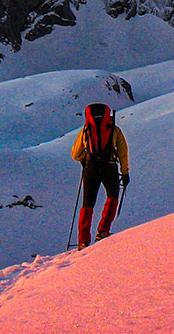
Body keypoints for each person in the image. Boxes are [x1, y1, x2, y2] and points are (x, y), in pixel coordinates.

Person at [71, 103, 130, 248]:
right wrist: (125, 172)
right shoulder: (114, 130)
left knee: (87, 203)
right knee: (112, 197)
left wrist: (84, 158)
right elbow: (122, 152)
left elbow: (75, 154)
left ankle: (83, 240)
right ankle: (103, 230)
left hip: (90, 168)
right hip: (109, 167)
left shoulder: (86, 130)